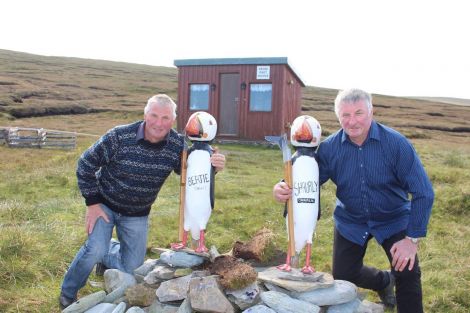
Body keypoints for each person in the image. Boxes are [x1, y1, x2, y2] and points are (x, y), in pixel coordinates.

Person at [273, 88, 434, 312]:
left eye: (358, 113)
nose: (352, 122)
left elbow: (424, 192)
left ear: (371, 112)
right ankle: (384, 281)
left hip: (393, 217)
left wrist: (411, 240)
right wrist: (282, 186)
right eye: (345, 115)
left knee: (407, 270)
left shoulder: (396, 144)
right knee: (344, 275)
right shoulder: (329, 149)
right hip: (352, 220)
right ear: (338, 116)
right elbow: (305, 177)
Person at [59, 94, 226, 309]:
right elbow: (85, 164)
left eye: (165, 118)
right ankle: (68, 292)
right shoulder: (119, 136)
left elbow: (190, 173)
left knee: (132, 269)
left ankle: (107, 253)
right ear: (145, 114)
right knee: (93, 249)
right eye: (154, 115)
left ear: (173, 120)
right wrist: (92, 203)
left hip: (137, 214)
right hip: (105, 205)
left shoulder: (177, 145)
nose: (159, 122)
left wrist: (213, 166)